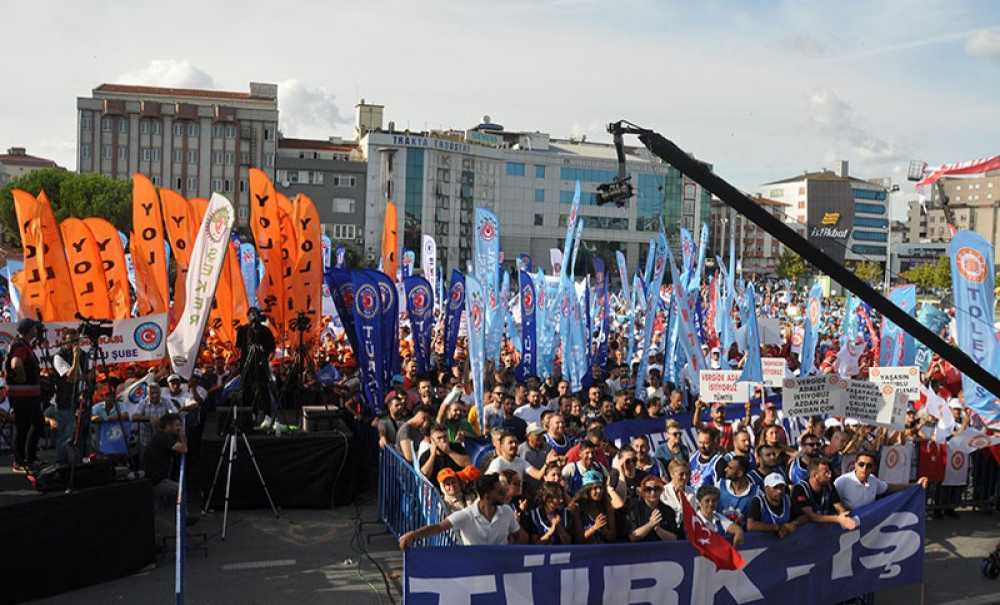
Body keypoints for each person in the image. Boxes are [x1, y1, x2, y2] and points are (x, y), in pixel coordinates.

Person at [398, 474, 528, 548]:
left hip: (500, 566)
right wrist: (412, 535)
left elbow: (520, 537)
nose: (505, 494)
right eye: (500, 492)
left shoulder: (507, 511)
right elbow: (438, 527)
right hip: (474, 569)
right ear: (487, 495)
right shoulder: (466, 515)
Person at [143, 413, 194, 536]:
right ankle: (183, 517)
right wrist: (182, 436)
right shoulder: (163, 437)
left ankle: (155, 540)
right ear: (168, 426)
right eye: (177, 425)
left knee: (154, 512)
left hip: (156, 480)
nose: (179, 428)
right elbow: (183, 449)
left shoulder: (164, 437)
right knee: (179, 490)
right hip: (155, 482)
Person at [833, 450, 928, 510]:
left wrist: (915, 485)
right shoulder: (842, 481)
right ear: (855, 465)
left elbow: (891, 488)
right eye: (861, 464)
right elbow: (831, 502)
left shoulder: (873, 481)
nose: (864, 468)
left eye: (869, 466)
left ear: (873, 468)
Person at [7, 318, 43, 472]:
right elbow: (16, 363)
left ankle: (30, 458)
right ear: (29, 330)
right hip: (23, 396)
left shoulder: (25, 345)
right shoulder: (19, 345)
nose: (37, 330)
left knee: (38, 425)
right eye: (34, 328)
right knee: (23, 428)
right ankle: (19, 461)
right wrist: (21, 377)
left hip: (30, 395)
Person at [791, 459, 857, 530]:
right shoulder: (800, 489)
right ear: (815, 475)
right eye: (826, 473)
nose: (830, 475)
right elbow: (811, 516)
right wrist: (838, 519)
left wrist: (844, 516)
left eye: (829, 471)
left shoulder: (829, 485)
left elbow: (838, 506)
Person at [52, 327, 84, 464]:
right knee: (66, 435)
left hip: (80, 399)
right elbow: (71, 377)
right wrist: (76, 357)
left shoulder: (84, 354)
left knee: (82, 434)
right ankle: (62, 462)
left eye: (76, 341)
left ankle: (78, 460)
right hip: (64, 401)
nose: (74, 345)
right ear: (64, 342)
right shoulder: (59, 356)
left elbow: (86, 375)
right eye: (71, 342)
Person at [627, 474, 681, 542]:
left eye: (656, 489)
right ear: (643, 492)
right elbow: (632, 537)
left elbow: (674, 539)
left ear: (661, 491)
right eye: (648, 489)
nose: (653, 493)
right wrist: (650, 524)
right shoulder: (634, 509)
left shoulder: (668, 511)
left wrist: (658, 529)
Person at [571, 470, 616, 544]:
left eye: (600, 487)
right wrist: (594, 527)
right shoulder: (577, 508)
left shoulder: (607, 507)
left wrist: (604, 531)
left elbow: (613, 537)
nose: (599, 491)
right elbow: (578, 540)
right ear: (587, 490)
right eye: (595, 488)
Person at [746, 473, 796, 538]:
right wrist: (779, 527)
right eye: (775, 487)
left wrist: (794, 524)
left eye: (782, 487)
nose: (779, 491)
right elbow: (750, 526)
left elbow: (803, 516)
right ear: (766, 488)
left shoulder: (787, 499)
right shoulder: (758, 501)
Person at [486, 431, 551, 481]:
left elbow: (538, 475)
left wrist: (547, 463)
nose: (514, 445)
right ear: (502, 445)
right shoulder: (497, 463)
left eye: (516, 442)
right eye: (510, 442)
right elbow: (488, 482)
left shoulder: (521, 461)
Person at [717, 455, 756, 526]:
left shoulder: (756, 493)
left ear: (739, 473)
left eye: (730, 468)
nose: (725, 469)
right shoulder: (719, 485)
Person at [661, 459, 696, 529]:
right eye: (681, 474)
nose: (685, 477)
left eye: (687, 474)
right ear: (671, 474)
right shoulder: (663, 492)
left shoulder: (692, 492)